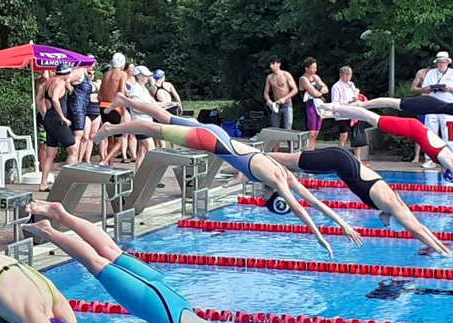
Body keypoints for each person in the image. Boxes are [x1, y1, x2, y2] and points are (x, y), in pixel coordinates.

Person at [23, 200, 292, 323]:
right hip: (153, 305)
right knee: (97, 263)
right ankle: (50, 230)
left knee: (111, 252)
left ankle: (62, 215)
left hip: (171, 295)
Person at [97, 94, 363, 258]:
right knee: (150, 127)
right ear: (270, 196)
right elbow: (299, 208)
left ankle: (125, 101)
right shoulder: (277, 180)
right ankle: (112, 128)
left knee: (164, 117)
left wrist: (342, 225)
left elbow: (314, 202)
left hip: (216, 134)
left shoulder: (285, 174)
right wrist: (320, 238)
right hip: (209, 140)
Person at [268, 147, 450, 256]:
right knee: (287, 160)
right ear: (393, 219)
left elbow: (419, 225)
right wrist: (443, 253)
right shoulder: (392, 205)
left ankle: (254, 159)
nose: (383, 224)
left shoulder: (395, 204)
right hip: (338, 160)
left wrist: (438, 245)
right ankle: (251, 157)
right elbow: (415, 229)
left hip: (341, 159)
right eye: (388, 225)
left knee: (289, 162)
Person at [317, 103, 453, 180]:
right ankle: (333, 107)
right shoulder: (447, 159)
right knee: (369, 116)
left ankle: (334, 113)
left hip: (413, 128)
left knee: (368, 117)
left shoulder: (443, 159)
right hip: (411, 128)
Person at [40, 64, 77, 192]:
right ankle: (66, 182)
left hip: (49, 118)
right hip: (57, 120)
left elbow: (39, 98)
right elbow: (55, 99)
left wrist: (45, 113)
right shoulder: (59, 83)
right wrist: (62, 117)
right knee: (73, 150)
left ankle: (43, 183)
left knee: (50, 155)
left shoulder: (48, 82)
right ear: (66, 73)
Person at [419, 51, 453, 169]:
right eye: (439, 62)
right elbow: (424, 89)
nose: (441, 64)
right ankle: (430, 159)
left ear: (448, 63)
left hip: (448, 107)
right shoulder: (431, 74)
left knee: (448, 135)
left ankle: (449, 159)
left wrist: (448, 89)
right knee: (430, 134)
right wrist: (432, 89)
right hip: (432, 106)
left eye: (443, 62)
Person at [97, 53, 129, 165]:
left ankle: (110, 165)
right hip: (114, 108)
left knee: (110, 139)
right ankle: (105, 161)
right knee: (119, 142)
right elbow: (121, 94)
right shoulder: (122, 74)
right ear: (122, 63)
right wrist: (124, 113)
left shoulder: (106, 74)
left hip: (103, 107)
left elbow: (99, 95)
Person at [330, 66, 362, 159]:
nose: (348, 77)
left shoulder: (352, 85)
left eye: (349, 75)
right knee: (344, 135)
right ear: (341, 75)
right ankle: (340, 156)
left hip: (353, 113)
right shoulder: (336, 87)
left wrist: (356, 99)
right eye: (346, 75)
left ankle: (358, 158)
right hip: (342, 114)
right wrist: (349, 101)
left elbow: (354, 96)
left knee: (356, 136)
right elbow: (335, 102)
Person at [299, 57, 329, 150]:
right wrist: (319, 90)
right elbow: (313, 92)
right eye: (312, 68)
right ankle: (309, 150)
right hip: (310, 104)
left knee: (317, 131)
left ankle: (312, 149)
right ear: (307, 68)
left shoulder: (316, 77)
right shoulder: (303, 79)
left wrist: (319, 91)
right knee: (311, 131)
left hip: (318, 103)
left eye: (315, 68)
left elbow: (326, 89)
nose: (314, 70)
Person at [263, 56, 297, 133]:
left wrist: (284, 98)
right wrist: (268, 100)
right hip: (275, 105)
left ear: (278, 64)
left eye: (273, 64)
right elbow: (266, 92)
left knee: (288, 128)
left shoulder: (286, 75)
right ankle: (276, 145)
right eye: (270, 64)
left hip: (286, 104)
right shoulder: (269, 77)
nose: (271, 66)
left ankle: (290, 144)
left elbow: (295, 89)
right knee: (275, 130)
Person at [68, 65, 94, 165]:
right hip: (76, 105)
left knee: (81, 135)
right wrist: (70, 89)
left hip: (82, 107)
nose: (94, 65)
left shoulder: (85, 74)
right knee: (78, 135)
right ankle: (73, 160)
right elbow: (65, 79)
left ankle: (76, 160)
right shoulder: (79, 71)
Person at [409, 63, 432, 162]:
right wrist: (425, 89)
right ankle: (417, 156)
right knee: (420, 129)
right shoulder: (422, 73)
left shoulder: (447, 74)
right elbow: (413, 88)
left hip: (439, 104)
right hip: (425, 104)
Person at [83, 67, 102, 163]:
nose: (91, 75)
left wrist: (95, 97)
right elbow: (88, 98)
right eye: (89, 73)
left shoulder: (96, 84)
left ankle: (87, 159)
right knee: (85, 137)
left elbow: (100, 97)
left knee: (92, 137)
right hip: (87, 112)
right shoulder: (83, 84)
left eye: (93, 73)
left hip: (96, 112)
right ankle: (81, 158)